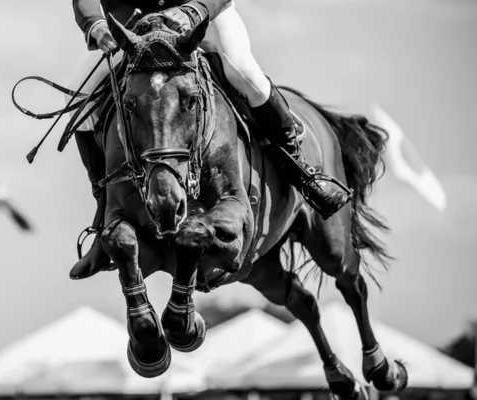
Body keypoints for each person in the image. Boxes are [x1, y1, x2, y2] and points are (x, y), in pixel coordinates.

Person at [69, 0, 351, 279]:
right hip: (131, 30)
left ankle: (299, 169)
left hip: (200, 18)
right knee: (77, 100)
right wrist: (95, 24)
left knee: (243, 71)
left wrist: (194, 10)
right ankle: (103, 212)